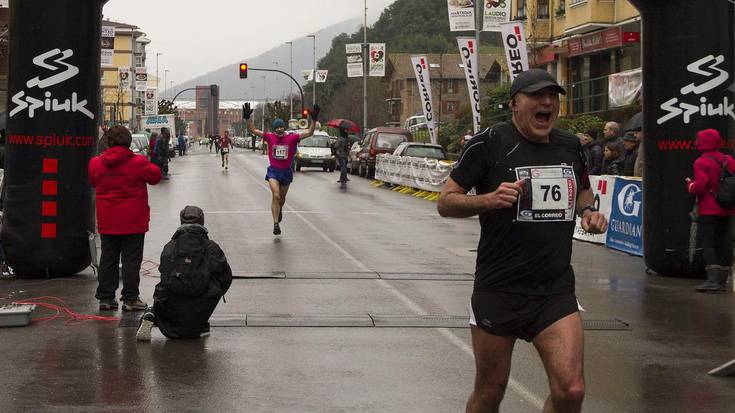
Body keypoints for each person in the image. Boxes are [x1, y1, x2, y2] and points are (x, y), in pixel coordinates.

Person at [437, 68, 608, 413]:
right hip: (499, 289)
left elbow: (584, 193)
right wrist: (486, 200)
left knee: (571, 390)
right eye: (536, 96)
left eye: (553, 96)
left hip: (555, 291)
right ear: (515, 104)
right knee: (490, 392)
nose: (547, 102)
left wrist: (588, 212)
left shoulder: (570, 146)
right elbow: (446, 201)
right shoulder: (488, 143)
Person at [88, 126, 162, 311]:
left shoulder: (95, 163)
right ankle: (130, 298)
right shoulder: (138, 162)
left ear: (109, 141)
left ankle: (105, 297)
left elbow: (93, 181)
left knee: (108, 258)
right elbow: (155, 177)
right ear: (128, 142)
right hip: (133, 221)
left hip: (108, 220)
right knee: (131, 260)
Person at [136, 206, 233, 341]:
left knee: (164, 289)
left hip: (172, 305)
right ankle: (200, 321)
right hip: (202, 304)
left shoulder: (170, 246)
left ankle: (154, 314)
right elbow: (226, 277)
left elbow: (164, 277)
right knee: (213, 287)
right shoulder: (211, 247)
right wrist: (213, 291)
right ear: (202, 222)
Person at [244, 102, 319, 235]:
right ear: (273, 130)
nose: (279, 130)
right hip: (273, 171)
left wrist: (314, 119)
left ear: (284, 128)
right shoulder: (270, 137)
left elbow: (310, 132)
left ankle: (279, 210)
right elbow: (253, 130)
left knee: (282, 199)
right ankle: (275, 224)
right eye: (276, 127)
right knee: (276, 195)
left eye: (281, 127)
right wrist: (247, 118)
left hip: (286, 172)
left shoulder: (292, 138)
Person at [686, 129, 735, 293]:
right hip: (727, 207)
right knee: (724, 242)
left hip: (709, 208)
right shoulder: (728, 160)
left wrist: (690, 185)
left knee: (708, 242)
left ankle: (712, 280)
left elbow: (700, 186)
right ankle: (722, 279)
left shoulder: (701, 162)